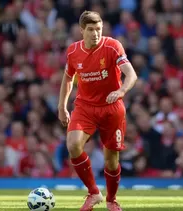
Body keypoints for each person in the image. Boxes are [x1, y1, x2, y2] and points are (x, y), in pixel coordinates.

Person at [57, 11, 137, 211]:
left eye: (98, 29)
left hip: (111, 108)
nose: (95, 34)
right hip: (85, 107)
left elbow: (131, 74)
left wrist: (121, 90)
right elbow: (68, 78)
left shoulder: (112, 46)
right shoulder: (73, 51)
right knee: (73, 144)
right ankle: (93, 193)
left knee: (111, 161)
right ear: (82, 30)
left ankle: (111, 200)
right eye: (91, 30)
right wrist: (62, 106)